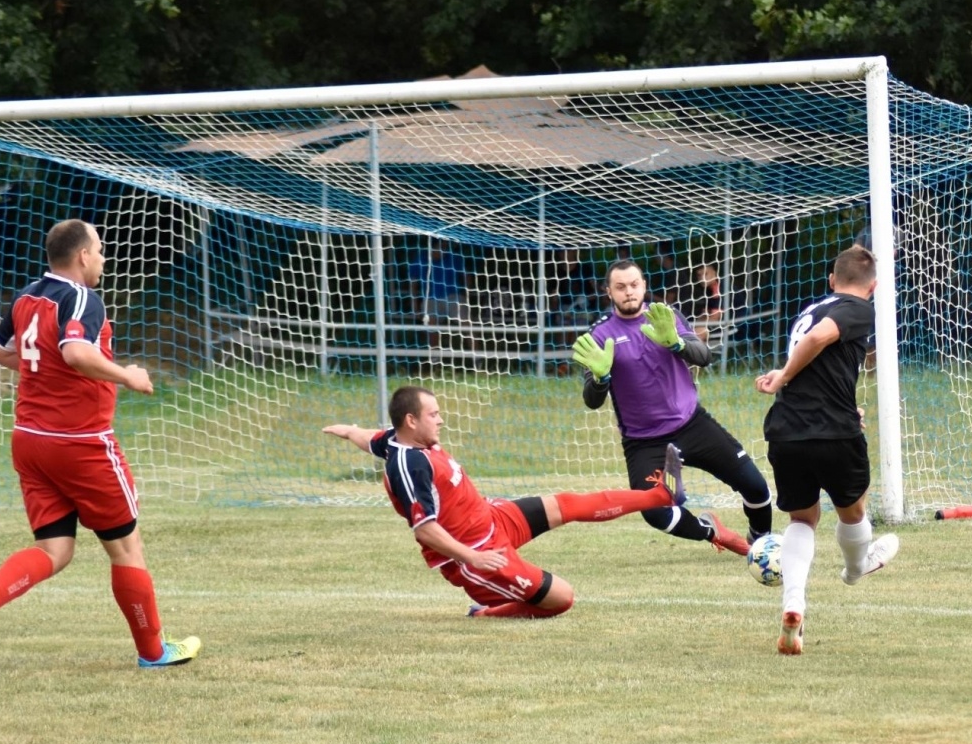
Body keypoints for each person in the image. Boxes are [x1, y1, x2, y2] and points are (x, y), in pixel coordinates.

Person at [0, 219, 199, 668]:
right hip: (79, 443)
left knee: (55, 550)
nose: (103, 259)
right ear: (83, 255)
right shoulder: (82, 297)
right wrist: (127, 374)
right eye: (100, 250)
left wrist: (45, 367)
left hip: (30, 440)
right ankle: (154, 652)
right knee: (126, 548)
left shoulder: (28, 295)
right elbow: (74, 352)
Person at [323, 385, 687, 618]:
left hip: (492, 518)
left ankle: (659, 495)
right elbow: (426, 531)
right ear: (410, 420)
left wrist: (348, 431)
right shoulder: (408, 464)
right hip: (477, 554)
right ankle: (486, 613)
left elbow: (371, 437)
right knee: (562, 598)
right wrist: (474, 558)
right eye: (433, 415)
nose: (441, 420)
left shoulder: (399, 439)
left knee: (567, 504)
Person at [570, 257, 772, 557]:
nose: (629, 292)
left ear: (644, 286)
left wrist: (676, 342)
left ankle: (762, 545)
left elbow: (703, 356)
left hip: (692, 424)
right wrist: (600, 378)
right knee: (655, 513)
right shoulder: (599, 335)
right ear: (609, 292)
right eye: (621, 287)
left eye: (634, 285)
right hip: (644, 441)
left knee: (757, 488)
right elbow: (592, 400)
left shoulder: (665, 315)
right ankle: (713, 532)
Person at [756, 245, 900, 655]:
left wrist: (792, 379)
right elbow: (823, 339)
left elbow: (820, 360)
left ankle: (794, 608)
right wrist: (783, 375)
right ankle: (857, 569)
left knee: (802, 519)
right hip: (834, 433)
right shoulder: (859, 309)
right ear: (872, 286)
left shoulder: (811, 309)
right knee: (853, 511)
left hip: (786, 431)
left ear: (832, 280)